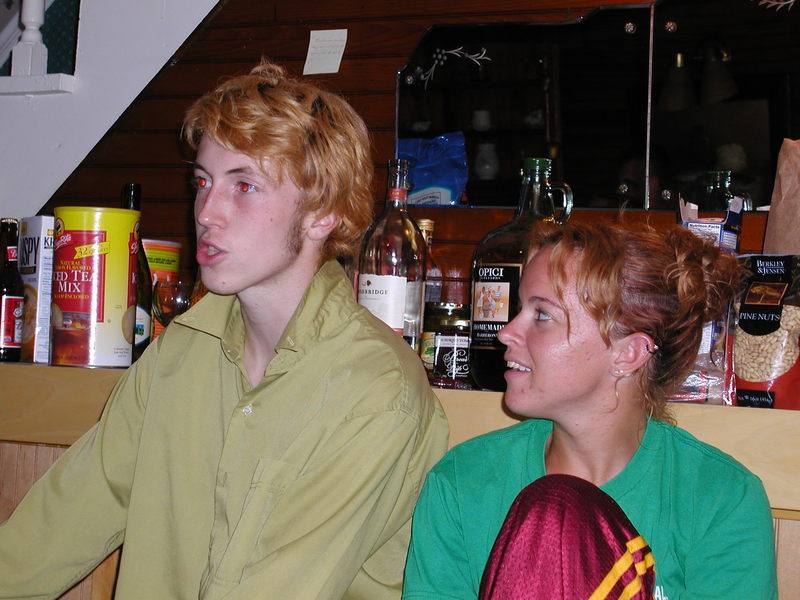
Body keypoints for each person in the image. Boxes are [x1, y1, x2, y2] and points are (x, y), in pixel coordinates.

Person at [0, 59, 448, 599]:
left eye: (245, 186)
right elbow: (61, 523)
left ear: (322, 214)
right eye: (203, 182)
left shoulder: (375, 388)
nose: (207, 212)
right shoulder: (179, 351)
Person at [403, 221, 777, 599]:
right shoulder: (464, 482)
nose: (506, 332)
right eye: (519, 309)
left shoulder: (720, 499)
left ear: (627, 353)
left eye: (542, 315)